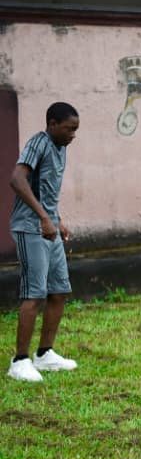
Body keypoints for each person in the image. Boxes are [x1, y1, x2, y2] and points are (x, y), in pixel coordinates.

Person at [7, 102, 81, 382]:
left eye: (75, 130)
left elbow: (45, 189)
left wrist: (56, 218)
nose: (73, 135)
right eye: (69, 129)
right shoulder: (39, 142)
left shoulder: (61, 148)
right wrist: (43, 219)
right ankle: (20, 361)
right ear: (52, 124)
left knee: (59, 291)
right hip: (30, 228)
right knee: (34, 294)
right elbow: (17, 180)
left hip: (47, 227)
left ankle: (45, 354)